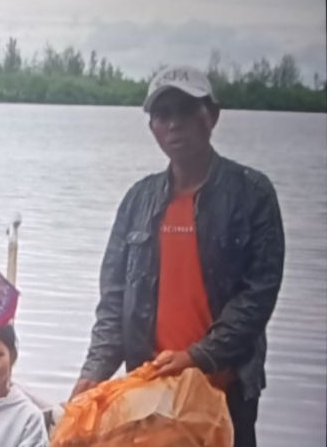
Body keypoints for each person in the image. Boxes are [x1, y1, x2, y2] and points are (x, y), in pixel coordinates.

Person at [70, 65, 285, 447]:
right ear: (152, 126)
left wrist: (198, 355)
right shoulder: (138, 200)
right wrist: (94, 372)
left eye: (186, 111)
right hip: (149, 395)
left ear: (212, 116)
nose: (174, 124)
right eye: (162, 114)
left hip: (225, 390)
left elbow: (258, 295)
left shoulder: (252, 193)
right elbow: (113, 300)